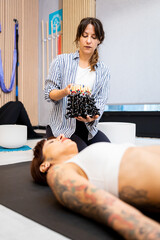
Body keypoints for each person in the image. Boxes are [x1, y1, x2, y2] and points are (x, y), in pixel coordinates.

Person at [31, 135, 160, 240]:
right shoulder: (59, 171)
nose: (61, 136)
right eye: (52, 142)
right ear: (45, 165)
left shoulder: (84, 156)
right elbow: (109, 208)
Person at [45, 17, 110, 151]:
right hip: (61, 127)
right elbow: (49, 93)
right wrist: (65, 91)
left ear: (99, 40)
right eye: (85, 35)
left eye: (93, 37)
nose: (88, 41)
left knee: (109, 153)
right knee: (83, 156)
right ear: (78, 37)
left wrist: (92, 117)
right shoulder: (61, 61)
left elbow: (101, 101)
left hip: (87, 128)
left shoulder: (103, 70)